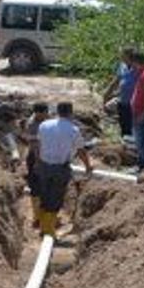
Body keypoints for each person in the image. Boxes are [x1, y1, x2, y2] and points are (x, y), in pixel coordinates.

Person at [35, 102, 93, 238]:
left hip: (43, 165)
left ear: (57, 111)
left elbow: (38, 146)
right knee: (55, 198)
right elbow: (81, 151)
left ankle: (44, 228)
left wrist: (38, 162)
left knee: (44, 195)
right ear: (71, 113)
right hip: (60, 168)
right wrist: (88, 166)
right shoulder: (73, 130)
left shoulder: (44, 125)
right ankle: (49, 232)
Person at [19, 102, 51, 227]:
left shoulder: (47, 120)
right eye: (44, 114)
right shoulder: (33, 124)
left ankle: (44, 214)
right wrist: (38, 162)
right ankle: (37, 217)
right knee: (36, 187)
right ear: (38, 113)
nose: (46, 115)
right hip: (36, 157)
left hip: (46, 155)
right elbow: (35, 146)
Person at [101, 47, 137, 138]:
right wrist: (107, 93)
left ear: (129, 56)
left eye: (123, 55)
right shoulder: (122, 66)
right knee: (123, 126)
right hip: (123, 101)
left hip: (134, 103)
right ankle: (125, 141)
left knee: (132, 128)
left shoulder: (137, 67)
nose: (121, 57)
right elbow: (116, 80)